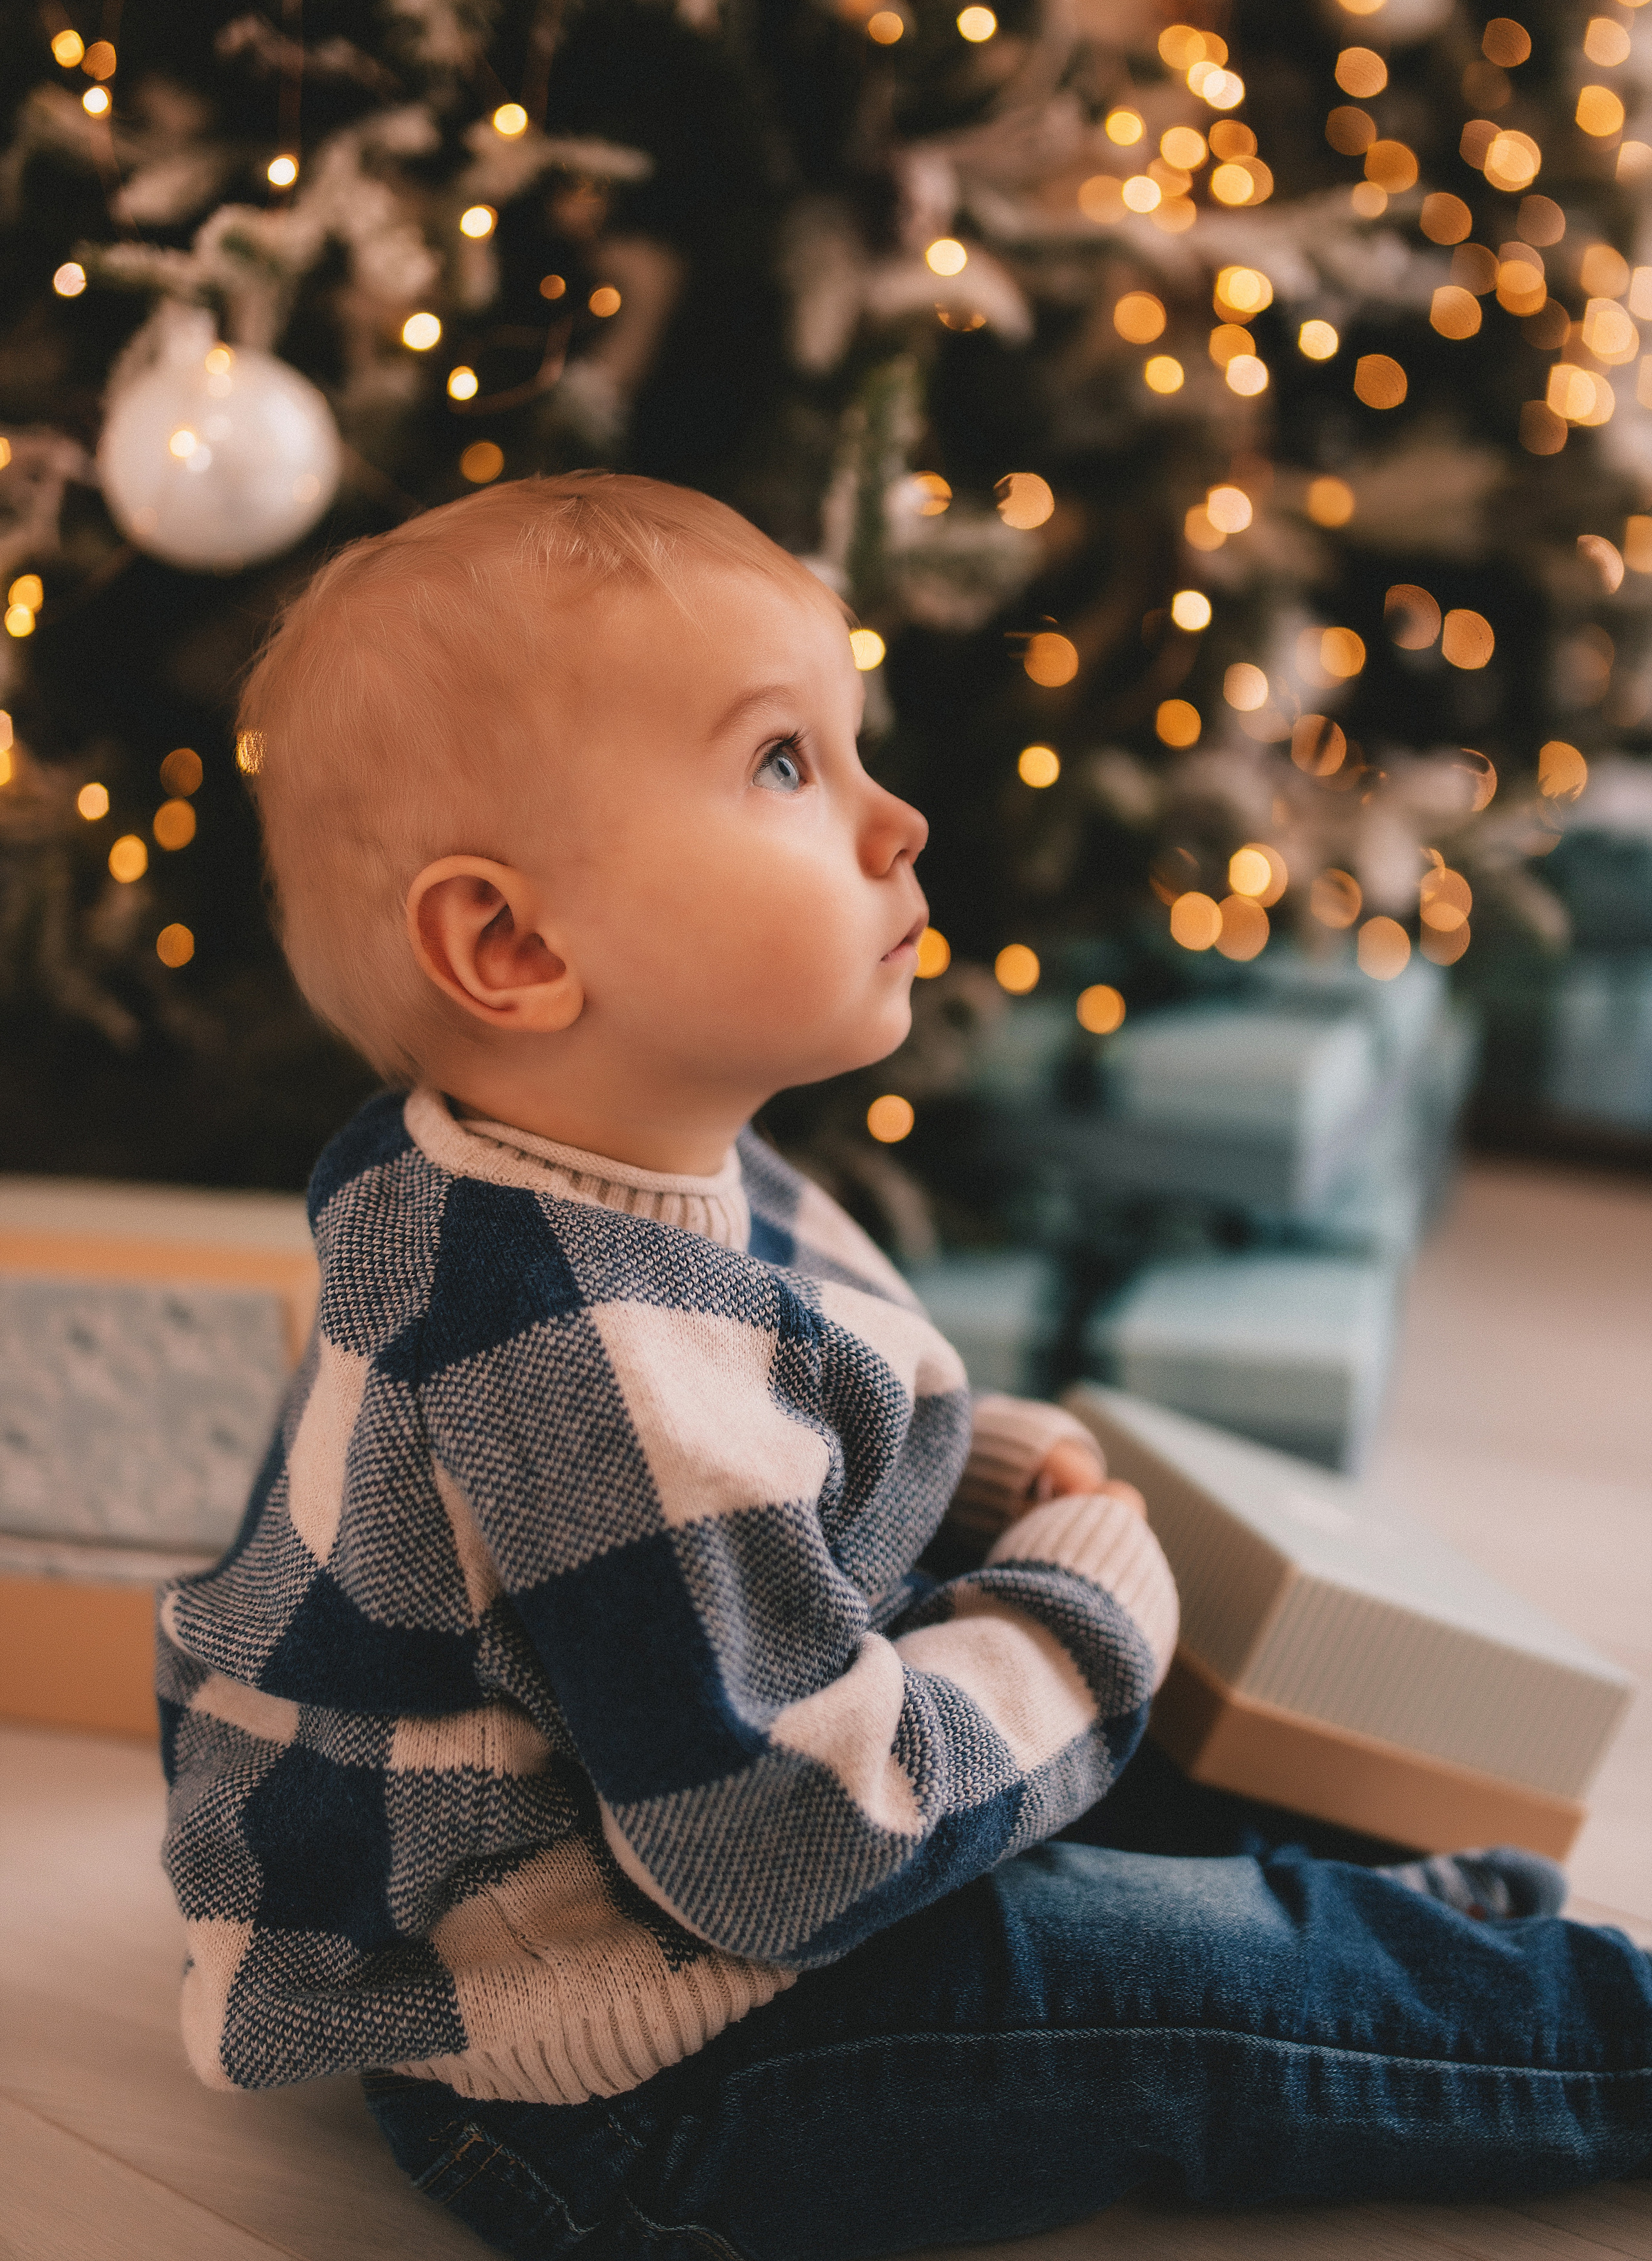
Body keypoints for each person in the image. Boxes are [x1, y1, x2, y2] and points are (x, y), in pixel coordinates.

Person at [158, 474, 1650, 2259]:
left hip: (680, 1862)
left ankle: (1400, 1939)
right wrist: (1074, 1603)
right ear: (516, 947)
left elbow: (776, 1428)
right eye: (786, 763)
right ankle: (1549, 2025)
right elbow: (791, 1856)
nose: (898, 820)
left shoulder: (592, 1159)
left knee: (1125, 1772)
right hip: (623, 2084)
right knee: (1122, 1962)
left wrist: (989, 1472)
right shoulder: (573, 1349)